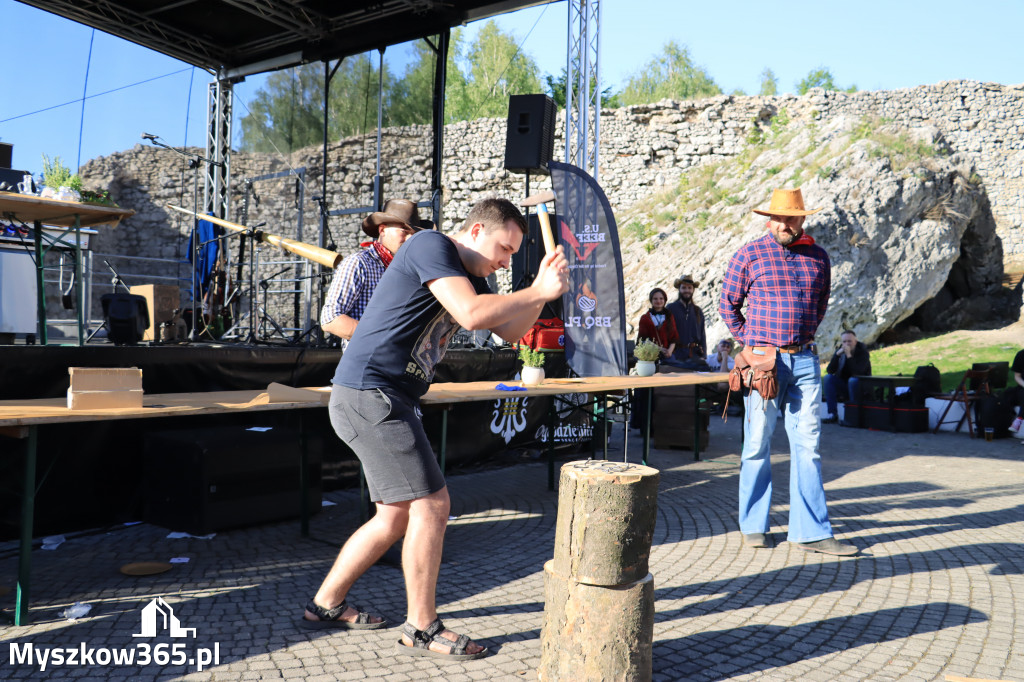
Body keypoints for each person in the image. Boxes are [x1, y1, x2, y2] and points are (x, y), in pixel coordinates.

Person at [301, 198, 569, 660]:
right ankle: (422, 627)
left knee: (394, 516)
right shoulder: (430, 245)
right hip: (370, 393)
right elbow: (470, 314)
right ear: (477, 229)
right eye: (503, 249)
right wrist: (535, 289)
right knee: (432, 503)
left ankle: (325, 604)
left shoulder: (474, 273)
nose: (505, 261)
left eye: (510, 256)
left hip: (380, 396)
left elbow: (507, 332)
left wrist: (543, 293)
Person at [720, 188, 857, 556]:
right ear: (769, 219)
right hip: (765, 363)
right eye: (779, 218)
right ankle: (754, 526)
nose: (784, 224)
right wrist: (751, 344)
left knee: (809, 447)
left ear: (802, 219)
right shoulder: (749, 254)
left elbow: (820, 303)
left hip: (807, 361)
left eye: (791, 217)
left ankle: (810, 532)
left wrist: (802, 338)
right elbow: (728, 304)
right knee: (756, 444)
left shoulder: (818, 257)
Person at [320, 199, 426, 349]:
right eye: (404, 231)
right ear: (382, 230)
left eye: (413, 234)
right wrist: (386, 338)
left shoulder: (411, 270)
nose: (409, 239)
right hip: (366, 363)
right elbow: (330, 318)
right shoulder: (359, 263)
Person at [823, 329, 872, 423]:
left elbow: (857, 373)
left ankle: (853, 416)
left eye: (849, 341)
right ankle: (832, 414)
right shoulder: (840, 352)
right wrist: (836, 356)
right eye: (844, 341)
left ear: (855, 342)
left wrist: (849, 355)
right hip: (844, 386)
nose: (847, 344)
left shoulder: (863, 353)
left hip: (860, 387)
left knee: (853, 380)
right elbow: (830, 370)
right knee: (827, 378)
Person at [666, 274, 707, 365]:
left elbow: (702, 335)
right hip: (676, 355)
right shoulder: (671, 308)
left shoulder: (698, 311)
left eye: (689, 288)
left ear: (693, 290)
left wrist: (704, 355)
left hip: (694, 355)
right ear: (679, 289)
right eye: (684, 288)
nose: (687, 290)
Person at [637, 287, 679, 364]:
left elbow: (674, 338)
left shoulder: (669, 316)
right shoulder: (645, 318)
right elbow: (643, 340)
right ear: (651, 301)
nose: (658, 301)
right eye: (655, 299)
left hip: (668, 356)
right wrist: (659, 349)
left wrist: (669, 351)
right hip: (650, 356)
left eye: (661, 298)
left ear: (665, 300)